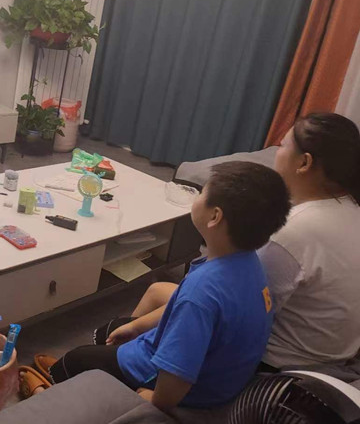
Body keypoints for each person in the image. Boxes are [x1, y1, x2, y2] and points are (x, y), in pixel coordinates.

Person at [19, 161, 291, 411]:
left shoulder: (202, 292)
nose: (197, 198)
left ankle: (50, 392)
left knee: (77, 359)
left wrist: (155, 400)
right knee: (112, 331)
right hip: (220, 381)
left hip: (186, 390)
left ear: (215, 217)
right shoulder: (250, 264)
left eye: (202, 194)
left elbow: (179, 372)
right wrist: (138, 326)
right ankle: (92, 370)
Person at [258, 112, 360, 368]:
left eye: (282, 146)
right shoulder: (351, 208)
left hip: (282, 364)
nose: (276, 153)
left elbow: (246, 310)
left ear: (304, 162)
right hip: (338, 354)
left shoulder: (293, 231)